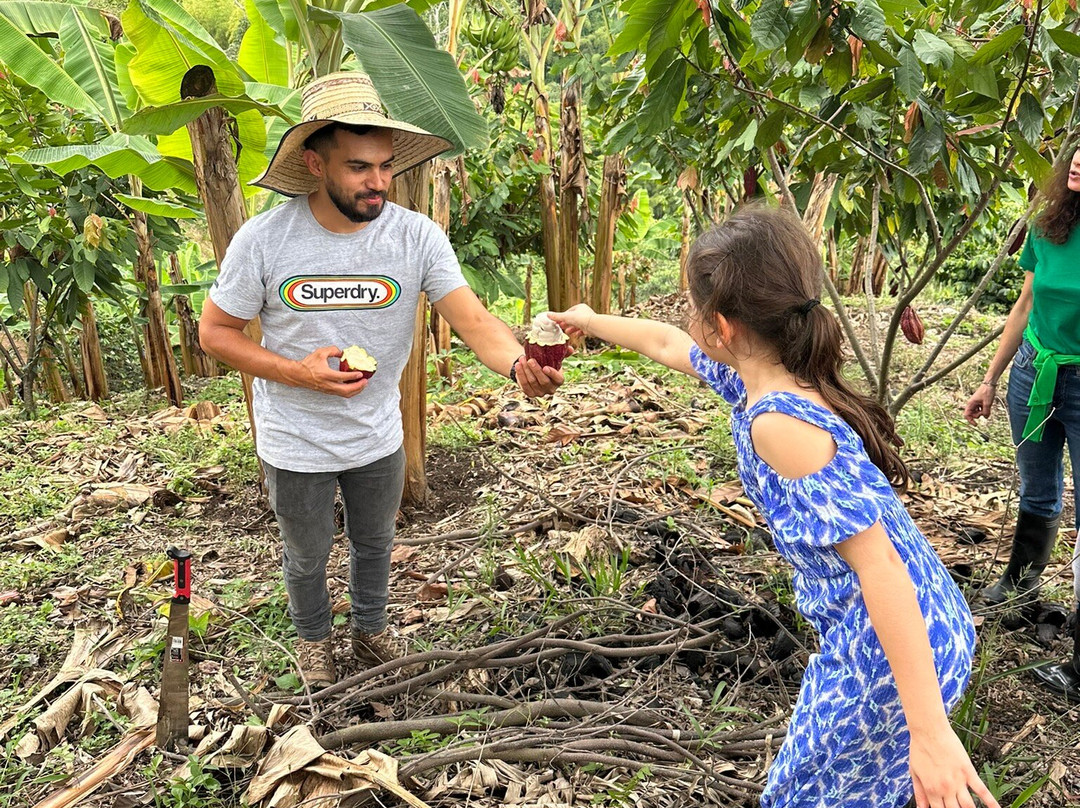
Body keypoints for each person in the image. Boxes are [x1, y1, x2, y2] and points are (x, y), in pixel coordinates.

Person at [549, 205, 998, 808]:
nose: (689, 319)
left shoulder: (779, 425)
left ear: (726, 326)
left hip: (886, 652)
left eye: (695, 306)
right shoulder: (768, 374)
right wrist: (589, 319)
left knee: (804, 793)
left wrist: (930, 732)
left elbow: (879, 568)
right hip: (923, 623)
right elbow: (665, 342)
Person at [199, 72, 563, 688]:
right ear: (314, 164)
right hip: (295, 438)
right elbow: (215, 334)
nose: (378, 183)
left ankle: (370, 630)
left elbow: (472, 319)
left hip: (376, 432)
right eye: (359, 167)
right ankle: (313, 643)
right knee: (307, 554)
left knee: (375, 541)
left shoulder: (415, 236)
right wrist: (298, 373)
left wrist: (515, 365)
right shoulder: (264, 240)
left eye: (386, 166)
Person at [964, 146, 1080, 698]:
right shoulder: (1048, 224)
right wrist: (991, 377)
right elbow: (1025, 305)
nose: (1077, 165)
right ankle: (1021, 584)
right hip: (1036, 371)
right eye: (1075, 157)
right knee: (1037, 485)